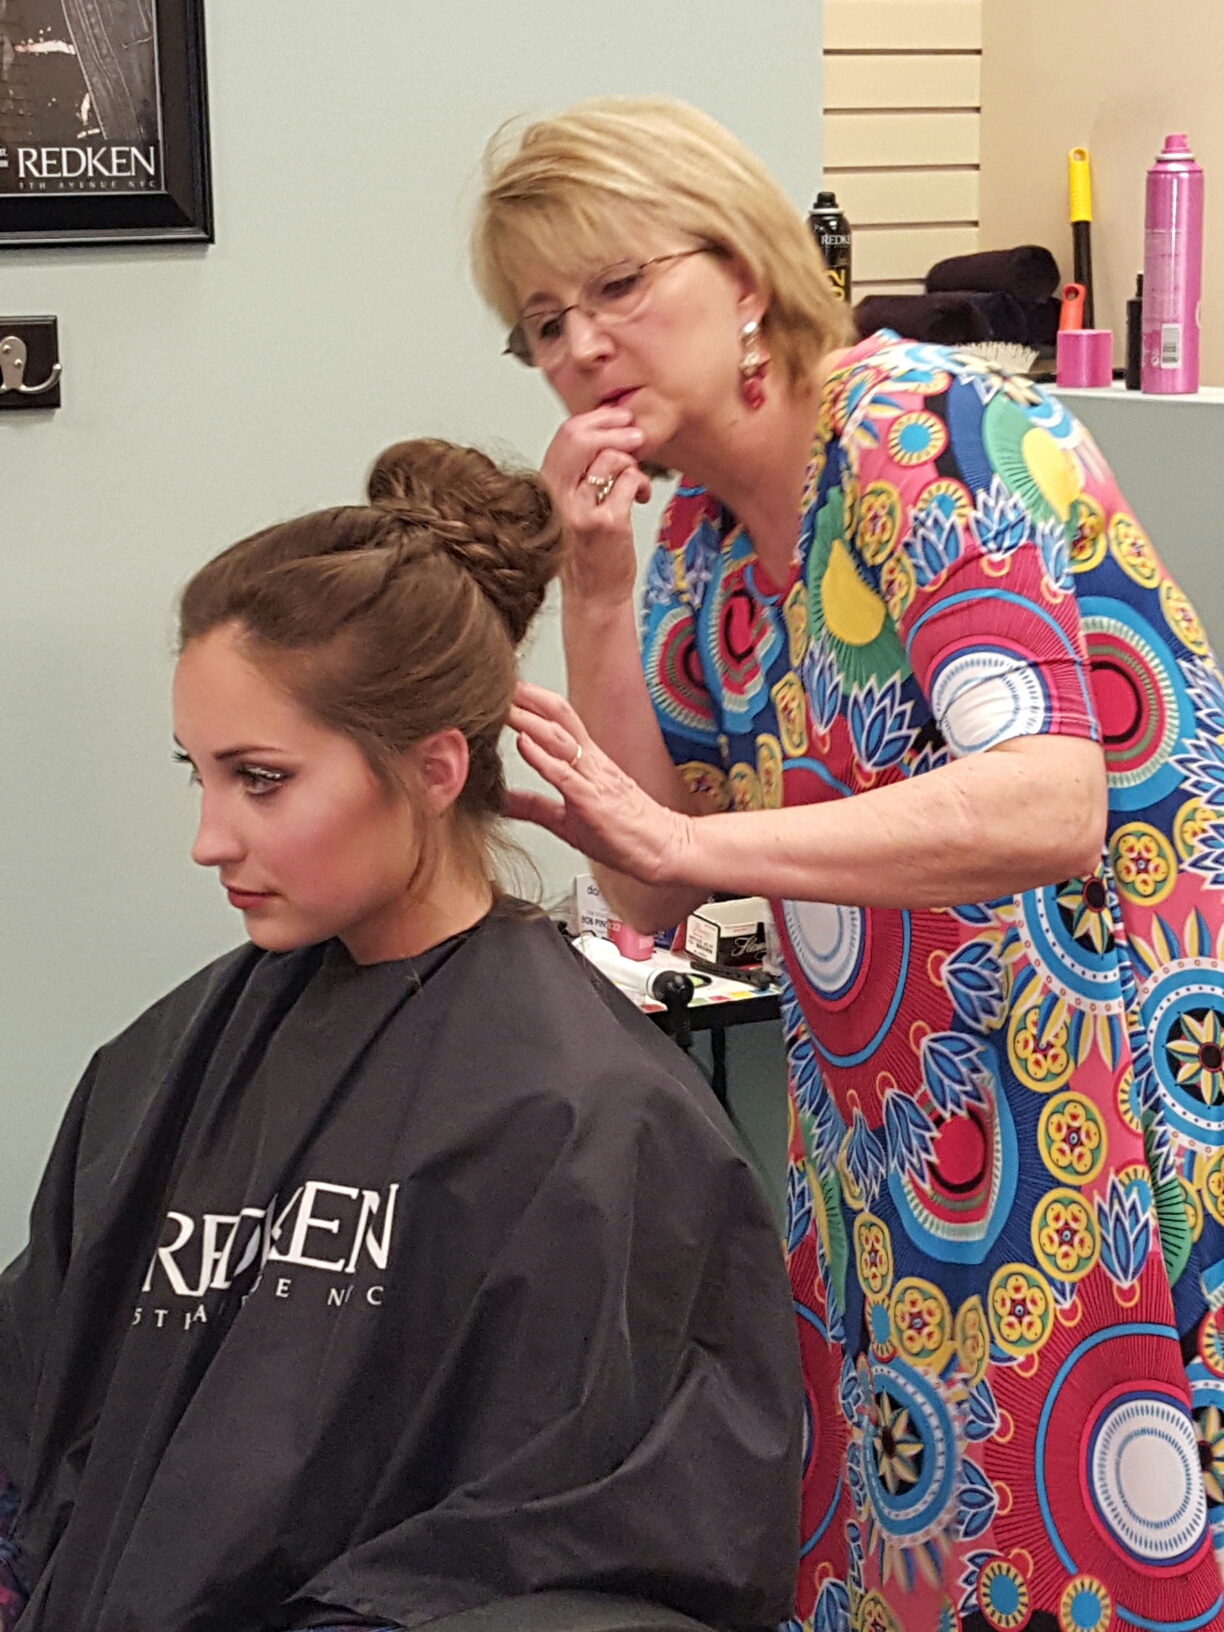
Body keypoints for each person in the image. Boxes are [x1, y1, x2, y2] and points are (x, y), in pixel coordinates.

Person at [472, 96, 1224, 1632]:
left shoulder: (922, 430)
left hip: (1109, 1085)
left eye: (618, 286)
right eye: (543, 323)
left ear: (747, 275)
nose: (582, 346)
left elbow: (1047, 805)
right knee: (918, 1545)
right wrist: (595, 590)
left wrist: (691, 838)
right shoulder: (694, 541)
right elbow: (650, 888)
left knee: (1095, 1537)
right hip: (900, 1130)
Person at [0, 439, 802, 1632]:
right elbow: (42, 1404)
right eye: (198, 775)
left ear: (433, 769)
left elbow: (599, 1553)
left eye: (261, 779)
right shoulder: (163, 1063)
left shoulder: (592, 1122)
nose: (208, 839)